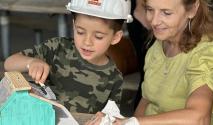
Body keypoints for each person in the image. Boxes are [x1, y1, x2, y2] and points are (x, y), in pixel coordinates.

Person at [86, 0, 213, 124]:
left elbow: (199, 118)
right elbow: (147, 101)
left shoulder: (208, 52)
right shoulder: (157, 47)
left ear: (193, 9)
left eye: (166, 13)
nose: (154, 21)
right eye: (150, 9)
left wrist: (131, 122)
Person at [4, 0, 133, 114]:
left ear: (115, 37)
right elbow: (9, 63)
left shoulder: (114, 78)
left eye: (98, 36)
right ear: (73, 25)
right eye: (80, 32)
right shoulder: (58, 48)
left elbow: (111, 117)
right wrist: (31, 62)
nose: (87, 42)